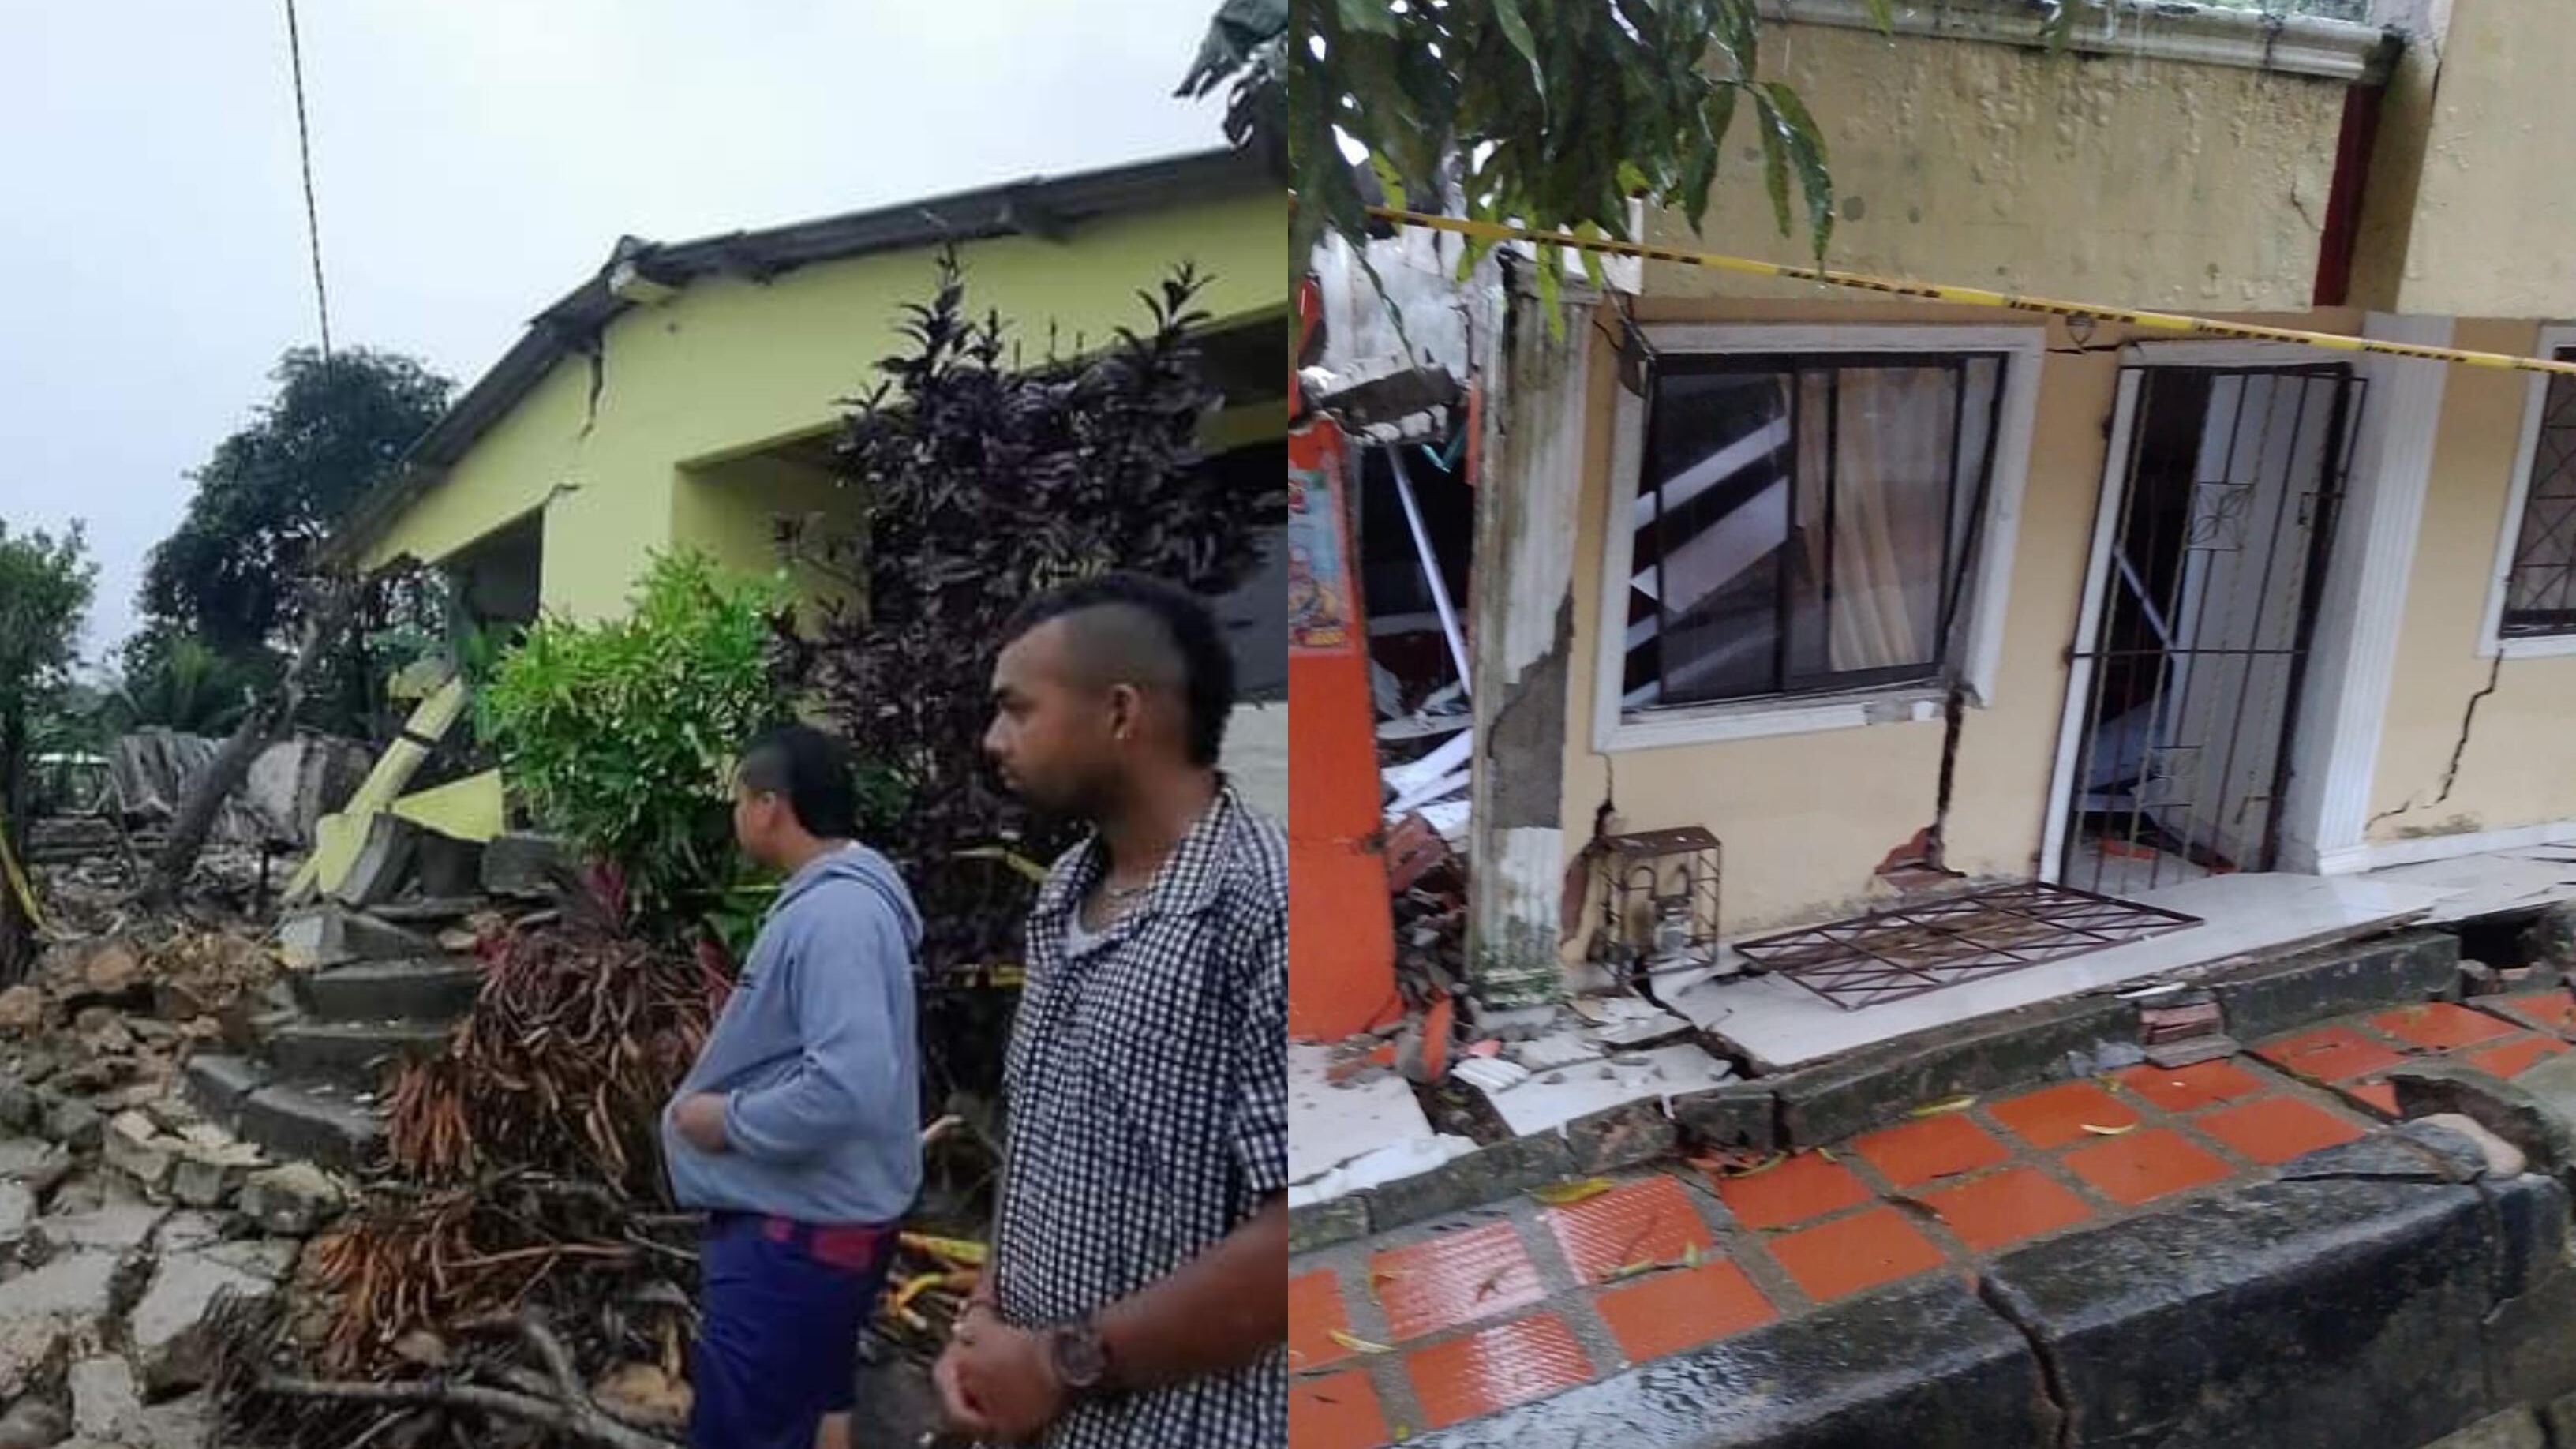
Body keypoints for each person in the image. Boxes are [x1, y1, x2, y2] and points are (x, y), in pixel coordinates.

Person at [936, 572, 1289, 1447]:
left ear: (1122, 714)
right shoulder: (1064, 891)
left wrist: (1057, 1366)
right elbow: (1044, 1137)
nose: (992, 740)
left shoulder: (1269, 905)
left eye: (1016, 709)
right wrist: (984, 1326)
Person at [663, 724, 923, 1449]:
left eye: (738, 799)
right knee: (818, 1411)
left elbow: (848, 1085)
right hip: (824, 1223)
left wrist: (728, 1120)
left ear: (770, 805)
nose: (735, 815)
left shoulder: (835, 917)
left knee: (747, 1430)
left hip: (796, 1236)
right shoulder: (842, 904)